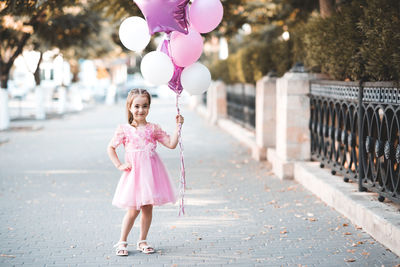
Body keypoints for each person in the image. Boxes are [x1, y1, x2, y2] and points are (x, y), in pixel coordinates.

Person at [107, 88, 184, 256]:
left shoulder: (153, 128)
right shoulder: (124, 129)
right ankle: (122, 241)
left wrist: (178, 126)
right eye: (137, 106)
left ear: (149, 107)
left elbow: (171, 144)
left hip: (150, 175)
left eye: (145, 106)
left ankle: (142, 240)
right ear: (129, 107)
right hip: (134, 175)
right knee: (133, 210)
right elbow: (111, 147)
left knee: (148, 208)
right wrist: (119, 164)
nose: (140, 110)